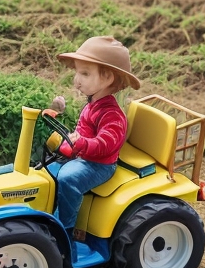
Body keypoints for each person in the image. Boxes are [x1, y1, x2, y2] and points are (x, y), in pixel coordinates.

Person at [48, 35, 140, 240]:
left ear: (107, 78)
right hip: (82, 156)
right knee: (46, 171)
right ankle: (46, 216)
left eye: (85, 73)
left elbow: (105, 144)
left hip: (99, 165)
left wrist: (81, 143)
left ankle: (65, 229)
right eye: (77, 72)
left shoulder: (112, 115)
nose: (76, 80)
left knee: (68, 178)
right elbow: (83, 129)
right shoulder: (93, 104)